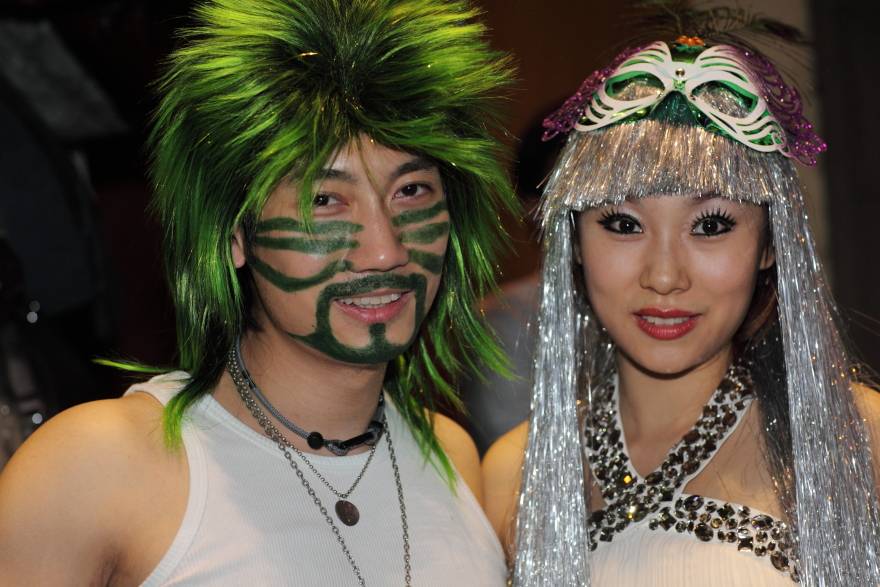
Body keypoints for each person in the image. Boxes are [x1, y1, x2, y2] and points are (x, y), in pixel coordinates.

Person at [0, 0, 516, 584]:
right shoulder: (99, 465)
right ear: (234, 236)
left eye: (412, 191)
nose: (384, 250)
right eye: (324, 200)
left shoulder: (453, 459)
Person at [483, 17, 880, 587]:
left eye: (711, 225)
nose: (664, 276)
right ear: (573, 243)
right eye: (623, 223)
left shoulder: (859, 438)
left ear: (771, 244)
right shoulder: (510, 473)